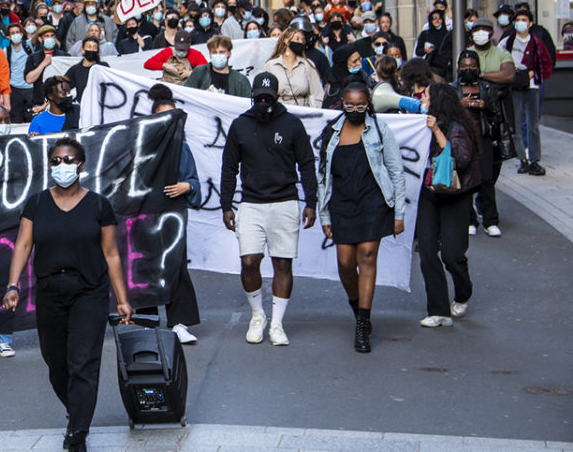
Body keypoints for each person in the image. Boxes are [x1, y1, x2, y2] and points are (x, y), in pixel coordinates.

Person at [3, 137, 132, 452]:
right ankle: (76, 409)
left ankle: (76, 433)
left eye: (69, 159)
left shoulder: (99, 205)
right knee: (56, 363)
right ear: (50, 165)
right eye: (56, 161)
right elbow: (22, 244)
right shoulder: (36, 203)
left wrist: (122, 298)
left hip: (89, 291)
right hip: (50, 291)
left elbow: (112, 254)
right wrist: (12, 284)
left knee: (83, 362)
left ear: (81, 165)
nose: (63, 166)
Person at [221, 72, 317, 346]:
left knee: (282, 263)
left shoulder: (292, 124)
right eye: (259, 97)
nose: (264, 102)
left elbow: (307, 163)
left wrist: (311, 201)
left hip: (285, 201)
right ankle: (257, 315)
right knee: (249, 261)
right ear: (252, 97)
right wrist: (226, 204)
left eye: (268, 97)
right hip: (250, 203)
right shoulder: (240, 125)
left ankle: (277, 323)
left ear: (277, 96)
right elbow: (229, 167)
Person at [317, 82, 405, 353]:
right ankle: (357, 306)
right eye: (349, 105)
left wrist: (398, 213)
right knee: (345, 263)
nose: (355, 110)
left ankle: (362, 324)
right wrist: (325, 215)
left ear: (369, 104)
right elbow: (323, 177)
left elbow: (395, 170)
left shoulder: (379, 129)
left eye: (361, 105)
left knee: (367, 256)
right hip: (342, 203)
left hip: (373, 201)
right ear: (342, 103)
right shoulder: (331, 132)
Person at [136, 92, 202, 344]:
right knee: (144, 266)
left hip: (173, 218)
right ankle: (146, 322)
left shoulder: (182, 149)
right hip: (145, 217)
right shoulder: (140, 146)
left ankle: (179, 322)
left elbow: (194, 181)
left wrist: (186, 187)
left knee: (176, 266)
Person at [416, 83, 481, 328]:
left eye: (427, 95)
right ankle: (438, 310)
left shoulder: (456, 128)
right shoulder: (423, 121)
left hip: (454, 195)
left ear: (438, 100)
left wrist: (436, 133)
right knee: (428, 252)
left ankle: (463, 291)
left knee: (453, 254)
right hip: (429, 194)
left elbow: (461, 160)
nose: (423, 97)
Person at [453, 51, 514, 238]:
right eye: (464, 66)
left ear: (479, 69)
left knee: (487, 179)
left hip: (484, 139)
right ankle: (470, 220)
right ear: (458, 68)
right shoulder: (452, 89)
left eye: (472, 66)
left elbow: (497, 114)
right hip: (462, 140)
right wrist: (460, 104)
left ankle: (491, 221)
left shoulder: (487, 88)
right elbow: (444, 114)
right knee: (465, 181)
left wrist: (484, 106)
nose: (468, 70)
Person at [498, 9, 552, 177]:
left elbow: (546, 64)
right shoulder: (507, 42)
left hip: (531, 87)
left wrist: (533, 73)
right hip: (513, 88)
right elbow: (496, 60)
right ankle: (522, 160)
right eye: (518, 19)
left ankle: (535, 160)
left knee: (533, 125)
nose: (520, 22)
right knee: (515, 127)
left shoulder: (536, 43)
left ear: (530, 24)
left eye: (524, 19)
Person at [262, 28, 324, 107]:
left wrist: (315, 112)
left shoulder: (307, 64)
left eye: (302, 40)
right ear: (286, 41)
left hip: (303, 110)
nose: (300, 42)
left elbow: (317, 94)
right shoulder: (271, 65)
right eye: (297, 39)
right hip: (279, 111)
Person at [184, 35, 250, 97]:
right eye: (214, 52)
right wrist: (203, 95)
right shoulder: (199, 72)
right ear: (210, 54)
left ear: (229, 54)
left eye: (221, 52)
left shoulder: (240, 81)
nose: (218, 55)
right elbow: (187, 95)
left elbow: (247, 104)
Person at [25, 25, 68, 111]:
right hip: (39, 101)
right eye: (47, 36)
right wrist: (43, 64)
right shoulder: (33, 57)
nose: (50, 38)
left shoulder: (64, 56)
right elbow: (29, 80)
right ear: (40, 39)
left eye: (52, 36)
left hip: (61, 102)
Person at [5, 23, 35, 123]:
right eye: (12, 33)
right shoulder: (6, 51)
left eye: (17, 32)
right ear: (9, 37)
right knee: (16, 120)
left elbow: (37, 37)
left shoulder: (29, 45)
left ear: (22, 34)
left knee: (31, 119)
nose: (15, 35)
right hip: (14, 89)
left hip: (30, 88)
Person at [64, 37, 110, 101]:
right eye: (89, 46)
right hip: (82, 106)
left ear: (98, 51)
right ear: (83, 49)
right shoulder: (75, 69)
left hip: (99, 105)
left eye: (95, 47)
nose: (92, 49)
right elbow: (63, 87)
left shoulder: (103, 67)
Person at [415, 10, 451, 79]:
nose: (437, 20)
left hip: (445, 68)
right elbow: (418, 51)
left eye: (439, 18)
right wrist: (426, 50)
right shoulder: (425, 34)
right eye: (434, 18)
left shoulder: (447, 34)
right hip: (431, 67)